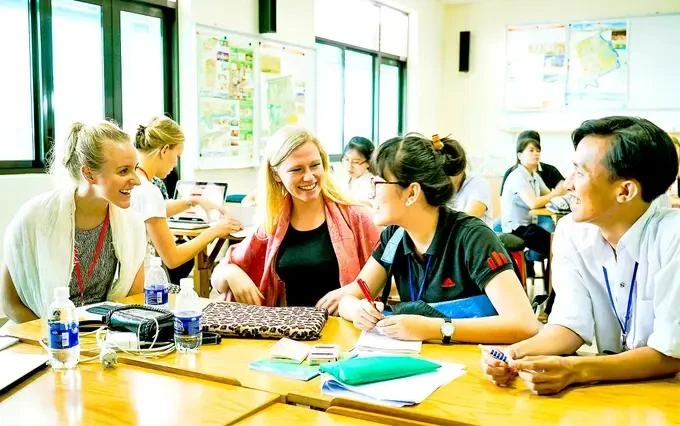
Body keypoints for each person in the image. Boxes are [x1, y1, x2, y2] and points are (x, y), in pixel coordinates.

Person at [483, 116, 680, 395]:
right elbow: (570, 325)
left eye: (580, 173)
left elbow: (670, 354)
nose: (568, 184)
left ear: (625, 190)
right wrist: (514, 353)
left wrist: (578, 370)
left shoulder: (674, 238)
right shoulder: (571, 232)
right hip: (618, 394)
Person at [337, 134, 537, 344]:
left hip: (474, 365)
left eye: (377, 184)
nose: (371, 195)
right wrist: (357, 310)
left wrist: (436, 328)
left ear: (412, 193)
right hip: (419, 363)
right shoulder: (394, 236)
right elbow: (350, 298)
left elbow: (524, 324)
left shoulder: (472, 237)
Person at [210, 126, 380, 312]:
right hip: (286, 333)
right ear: (276, 175)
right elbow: (219, 277)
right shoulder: (272, 224)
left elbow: (385, 280)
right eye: (296, 169)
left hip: (341, 333)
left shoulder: (356, 218)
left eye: (315, 165)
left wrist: (352, 293)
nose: (309, 177)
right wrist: (230, 272)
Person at [1, 121, 146, 323]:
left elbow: (132, 300)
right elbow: (10, 304)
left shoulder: (132, 224)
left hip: (103, 337)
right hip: (44, 338)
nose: (137, 180)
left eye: (135, 169)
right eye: (123, 171)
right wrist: (57, 338)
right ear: (88, 173)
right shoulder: (34, 218)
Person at [130, 116, 243, 271]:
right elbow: (172, 258)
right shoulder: (149, 191)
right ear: (164, 150)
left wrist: (194, 201)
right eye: (177, 156)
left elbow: (153, 208)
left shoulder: (133, 182)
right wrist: (215, 230)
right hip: (146, 284)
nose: (176, 163)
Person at [500, 136, 567, 256]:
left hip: (528, 225)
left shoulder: (534, 175)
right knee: (554, 247)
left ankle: (544, 269)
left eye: (538, 151)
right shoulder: (518, 176)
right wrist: (556, 192)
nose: (536, 154)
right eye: (531, 150)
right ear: (520, 156)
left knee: (558, 242)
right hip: (515, 228)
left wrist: (562, 193)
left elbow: (549, 195)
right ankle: (530, 260)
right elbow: (533, 203)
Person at [439, 136, 493, 227]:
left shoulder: (478, 184)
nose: (445, 181)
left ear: (461, 169)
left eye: (449, 176)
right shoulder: (436, 187)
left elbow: (466, 222)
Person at [499, 130, 565, 195]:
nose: (535, 153)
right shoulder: (513, 173)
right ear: (519, 153)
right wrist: (555, 193)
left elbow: (564, 190)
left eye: (537, 150)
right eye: (531, 150)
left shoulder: (549, 171)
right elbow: (533, 203)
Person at [341, 136, 375, 207]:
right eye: (347, 159)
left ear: (369, 162)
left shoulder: (373, 184)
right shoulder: (344, 177)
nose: (349, 166)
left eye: (356, 162)